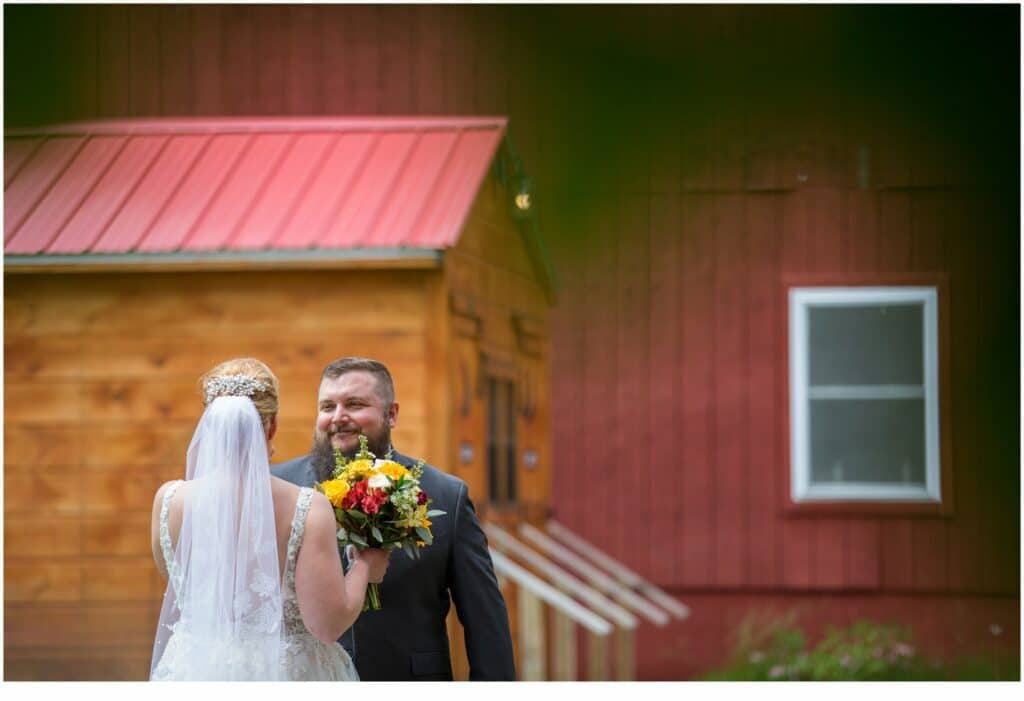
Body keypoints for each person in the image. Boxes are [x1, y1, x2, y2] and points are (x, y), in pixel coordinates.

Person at [273, 357, 516, 681]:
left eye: (355, 404)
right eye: (327, 406)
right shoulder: (280, 489)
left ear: (392, 414)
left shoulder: (445, 495)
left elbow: (485, 621)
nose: (338, 417)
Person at [148, 358, 390, 681]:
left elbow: (180, 580)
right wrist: (363, 568)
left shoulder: (168, 501)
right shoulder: (307, 506)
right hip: (286, 671)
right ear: (272, 425)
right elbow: (327, 625)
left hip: (196, 669)